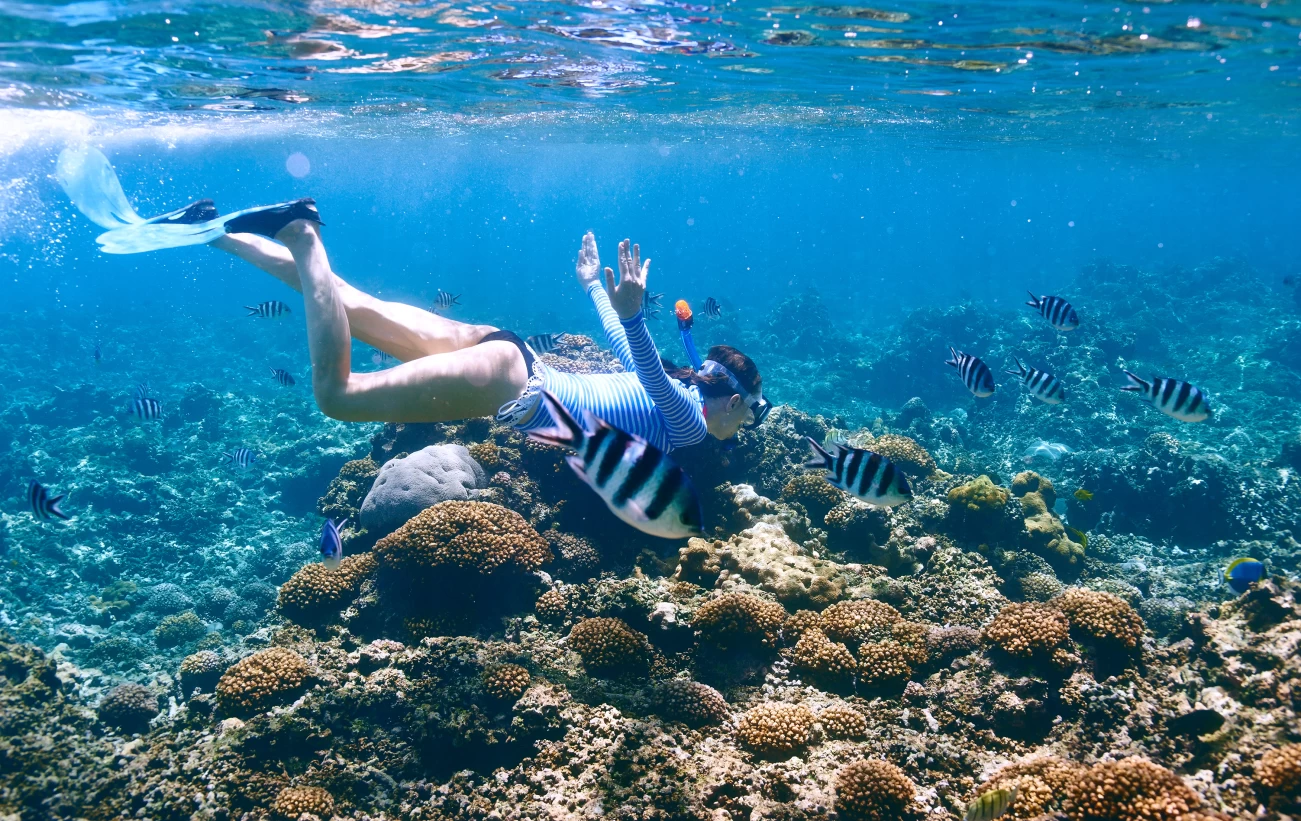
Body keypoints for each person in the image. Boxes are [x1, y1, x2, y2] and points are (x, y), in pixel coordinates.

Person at [207, 201, 768, 451]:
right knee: (335, 395)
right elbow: (640, 358)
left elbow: (626, 347)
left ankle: (218, 233)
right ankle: (302, 234)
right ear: (736, 403)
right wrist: (630, 314)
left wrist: (594, 287)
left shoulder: (677, 389)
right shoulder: (691, 425)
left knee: (349, 301)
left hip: (510, 351)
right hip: (510, 383)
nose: (745, 426)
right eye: (753, 414)